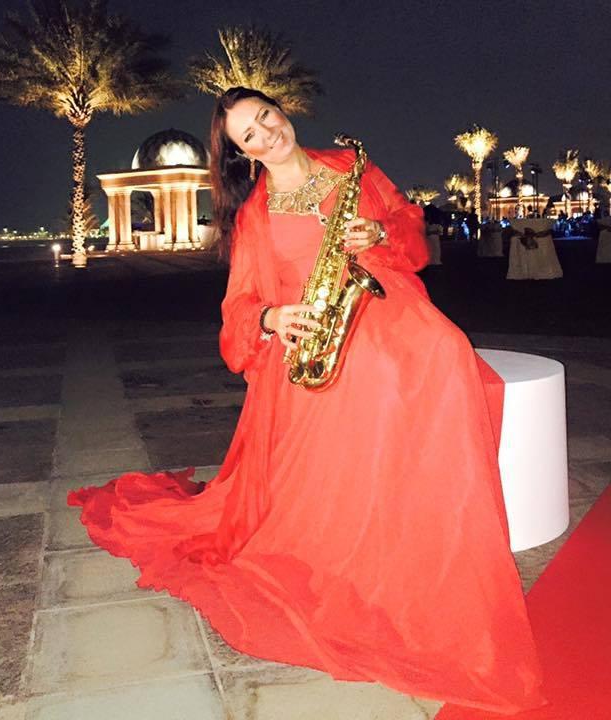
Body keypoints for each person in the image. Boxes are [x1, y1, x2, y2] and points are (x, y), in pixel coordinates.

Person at [69, 87, 545, 714]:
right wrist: (272, 318)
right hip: (316, 327)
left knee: (447, 350)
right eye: (249, 134)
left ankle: (432, 517)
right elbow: (239, 307)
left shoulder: (351, 166)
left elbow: (408, 230)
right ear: (242, 154)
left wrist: (379, 231)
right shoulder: (254, 215)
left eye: (266, 116)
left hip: (381, 298)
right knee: (372, 376)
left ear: (281, 111)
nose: (266, 133)